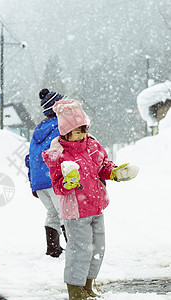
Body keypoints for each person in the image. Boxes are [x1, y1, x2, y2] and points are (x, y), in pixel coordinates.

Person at [42, 99, 139, 299]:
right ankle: (75, 288)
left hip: (96, 205)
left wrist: (115, 173)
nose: (82, 135)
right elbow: (57, 185)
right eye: (78, 131)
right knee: (80, 249)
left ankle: (88, 284)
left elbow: (103, 166)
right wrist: (67, 182)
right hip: (75, 210)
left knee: (97, 248)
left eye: (84, 130)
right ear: (65, 131)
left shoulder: (92, 145)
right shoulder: (58, 153)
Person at [25, 88, 68, 258]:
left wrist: (33, 181)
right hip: (53, 178)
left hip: (39, 181)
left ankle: (53, 248)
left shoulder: (38, 129)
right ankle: (74, 247)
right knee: (65, 212)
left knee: (52, 213)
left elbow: (30, 158)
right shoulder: (61, 127)